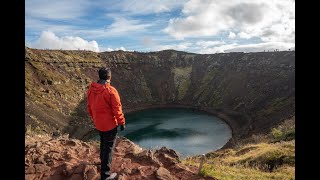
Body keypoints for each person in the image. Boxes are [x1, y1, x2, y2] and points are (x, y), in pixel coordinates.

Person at [87, 67, 126, 180]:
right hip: (109, 125)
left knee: (103, 144)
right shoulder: (111, 91)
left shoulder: (91, 88)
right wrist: (121, 122)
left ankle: (102, 163)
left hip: (98, 123)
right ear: (109, 76)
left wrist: (95, 118)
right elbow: (117, 109)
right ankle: (105, 175)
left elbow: (89, 106)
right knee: (108, 148)